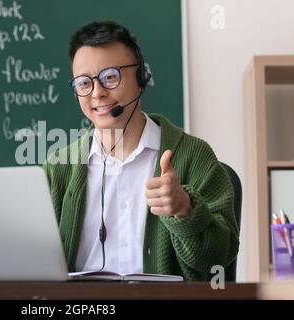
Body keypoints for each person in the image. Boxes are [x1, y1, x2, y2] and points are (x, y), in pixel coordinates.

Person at [43, 21, 239, 281]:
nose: (97, 93)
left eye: (110, 77)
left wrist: (186, 211)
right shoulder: (58, 168)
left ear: (141, 80)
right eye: (83, 83)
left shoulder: (194, 156)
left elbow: (218, 260)